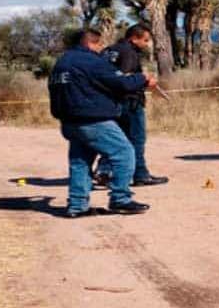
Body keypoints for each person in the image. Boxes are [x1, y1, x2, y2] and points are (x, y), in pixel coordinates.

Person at [48, 27, 158, 218]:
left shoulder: (61, 63)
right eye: (99, 44)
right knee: (124, 152)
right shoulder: (91, 61)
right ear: (90, 43)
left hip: (69, 121)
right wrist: (142, 78)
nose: (102, 49)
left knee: (80, 161)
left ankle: (77, 205)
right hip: (93, 120)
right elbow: (121, 83)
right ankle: (120, 199)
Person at [95, 24, 169, 187]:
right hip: (130, 102)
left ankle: (103, 171)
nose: (147, 44)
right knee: (136, 138)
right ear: (134, 38)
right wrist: (145, 81)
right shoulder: (129, 52)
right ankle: (140, 174)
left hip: (110, 102)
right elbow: (124, 78)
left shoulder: (109, 50)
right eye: (145, 40)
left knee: (116, 139)